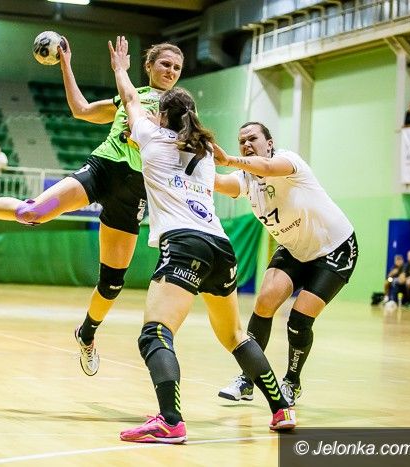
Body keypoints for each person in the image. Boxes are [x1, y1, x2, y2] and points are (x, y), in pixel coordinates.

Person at [0, 38, 185, 378]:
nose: (171, 71)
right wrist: (66, 64)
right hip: (103, 169)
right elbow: (81, 110)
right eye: (165, 64)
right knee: (31, 212)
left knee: (112, 284)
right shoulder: (129, 95)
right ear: (148, 66)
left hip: (134, 191)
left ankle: (86, 333)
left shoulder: (180, 107)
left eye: (177, 67)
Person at [107, 36, 294, 443]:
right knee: (235, 335)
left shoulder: (151, 138)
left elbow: (131, 99)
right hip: (221, 248)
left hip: (183, 245)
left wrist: (121, 68)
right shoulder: (206, 152)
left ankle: (170, 420)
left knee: (155, 333)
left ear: (162, 116)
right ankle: (281, 408)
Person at [213, 122, 358, 407]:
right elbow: (219, 183)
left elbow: (267, 168)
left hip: (334, 249)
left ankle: (292, 382)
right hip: (294, 249)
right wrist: (185, 164)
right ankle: (248, 378)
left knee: (299, 320)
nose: (246, 144)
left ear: (269, 143)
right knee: (264, 302)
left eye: (253, 138)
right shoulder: (247, 179)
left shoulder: (288, 161)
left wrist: (228, 159)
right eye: (241, 141)